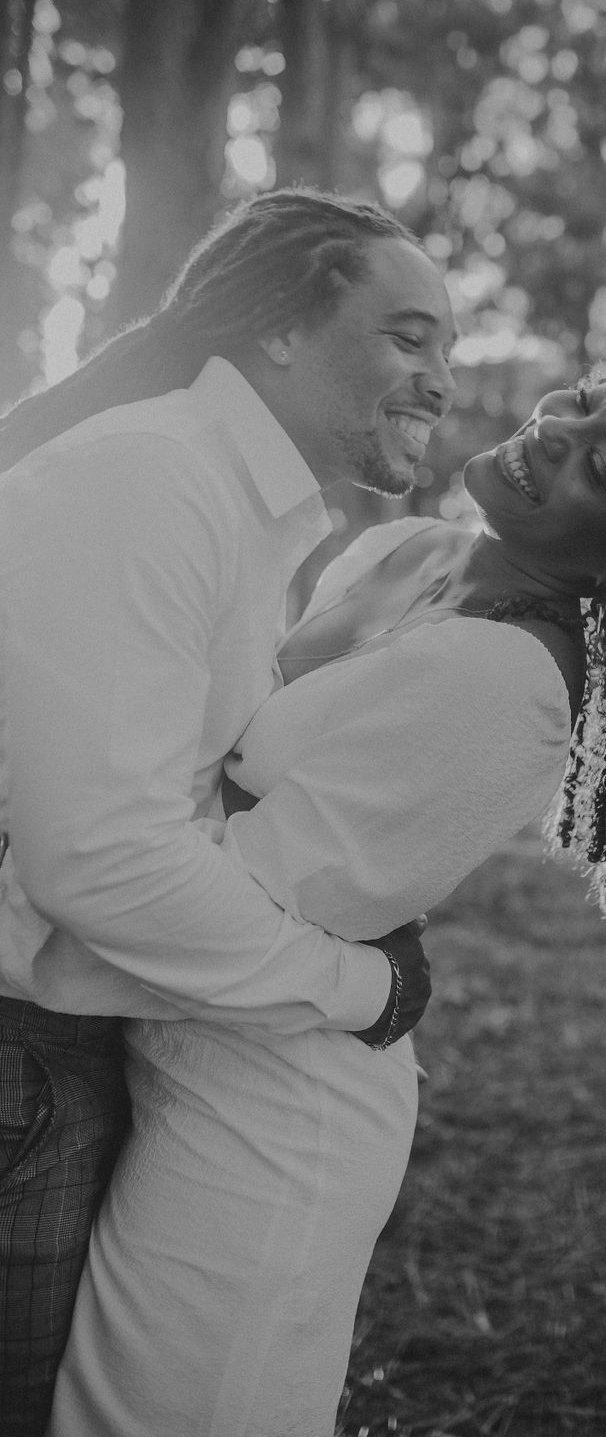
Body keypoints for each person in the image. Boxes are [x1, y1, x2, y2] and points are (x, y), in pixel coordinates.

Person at [45, 348, 606, 1437]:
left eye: (602, 468)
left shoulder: (507, 682)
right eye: (586, 399)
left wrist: (51, 869)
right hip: (158, 1047)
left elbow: (216, 904)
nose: (558, 428)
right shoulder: (411, 548)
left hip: (263, 1113)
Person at [0, 186, 454, 1435]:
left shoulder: (237, 508)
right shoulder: (151, 479)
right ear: (282, 328)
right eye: (408, 336)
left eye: (448, 349)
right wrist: (359, 987)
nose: (439, 379)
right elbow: (104, 859)